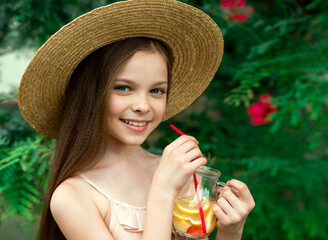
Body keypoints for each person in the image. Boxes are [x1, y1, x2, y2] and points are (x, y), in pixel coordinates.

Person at [18, 0, 255, 239]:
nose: (143, 106)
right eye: (123, 88)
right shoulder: (72, 196)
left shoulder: (176, 174)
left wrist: (230, 232)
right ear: (90, 94)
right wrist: (162, 191)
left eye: (157, 91)